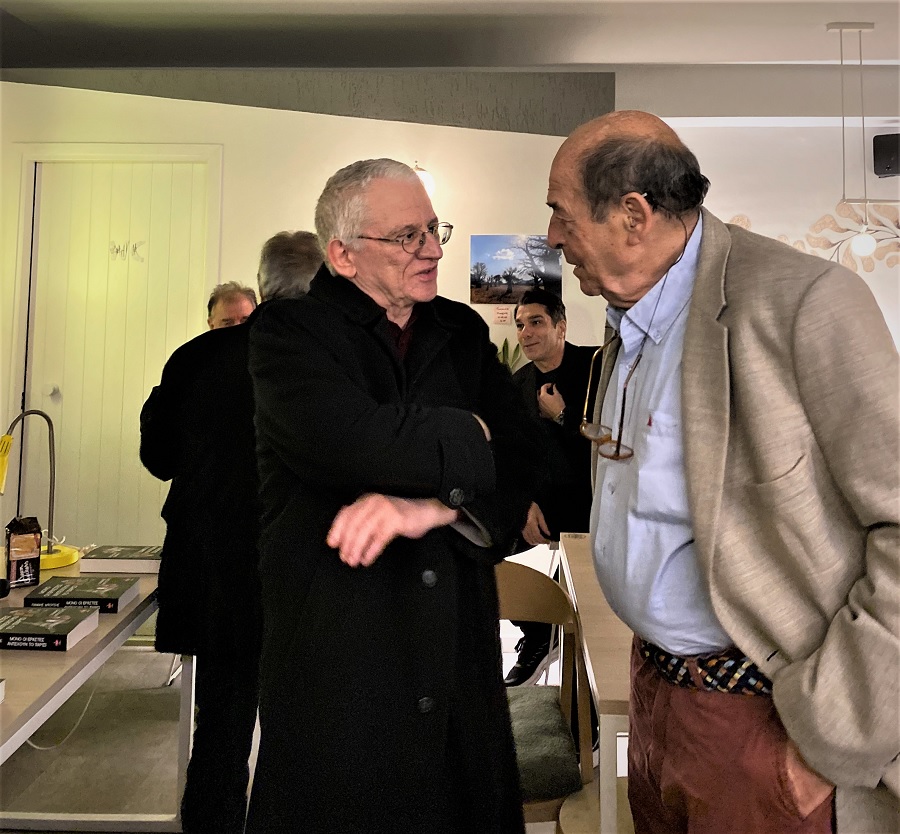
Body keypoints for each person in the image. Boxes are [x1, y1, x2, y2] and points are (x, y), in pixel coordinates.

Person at [546, 110, 899, 834]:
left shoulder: (805, 303)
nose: (552, 237)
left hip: (763, 726)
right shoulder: (628, 316)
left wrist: (830, 739)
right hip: (654, 697)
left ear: (633, 215)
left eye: (561, 213)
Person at [244, 158, 538, 834]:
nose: (433, 250)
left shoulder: (461, 332)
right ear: (343, 255)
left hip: (456, 653)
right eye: (408, 236)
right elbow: (353, 442)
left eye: (434, 229)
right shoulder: (287, 334)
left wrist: (434, 507)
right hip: (342, 656)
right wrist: (474, 432)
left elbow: (525, 458)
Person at [139, 230, 322, 834]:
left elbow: (160, 457)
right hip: (302, 576)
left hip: (216, 569)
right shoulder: (329, 361)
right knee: (300, 733)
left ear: (263, 288)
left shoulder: (195, 357)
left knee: (220, 725)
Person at [503, 288, 597, 686]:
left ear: (561, 327)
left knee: (583, 604)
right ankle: (538, 634)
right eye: (520, 325)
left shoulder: (595, 367)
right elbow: (508, 457)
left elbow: (616, 443)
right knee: (473, 549)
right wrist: (524, 504)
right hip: (540, 508)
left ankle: (583, 686)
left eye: (536, 322)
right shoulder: (517, 384)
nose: (525, 333)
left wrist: (563, 417)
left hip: (594, 507)